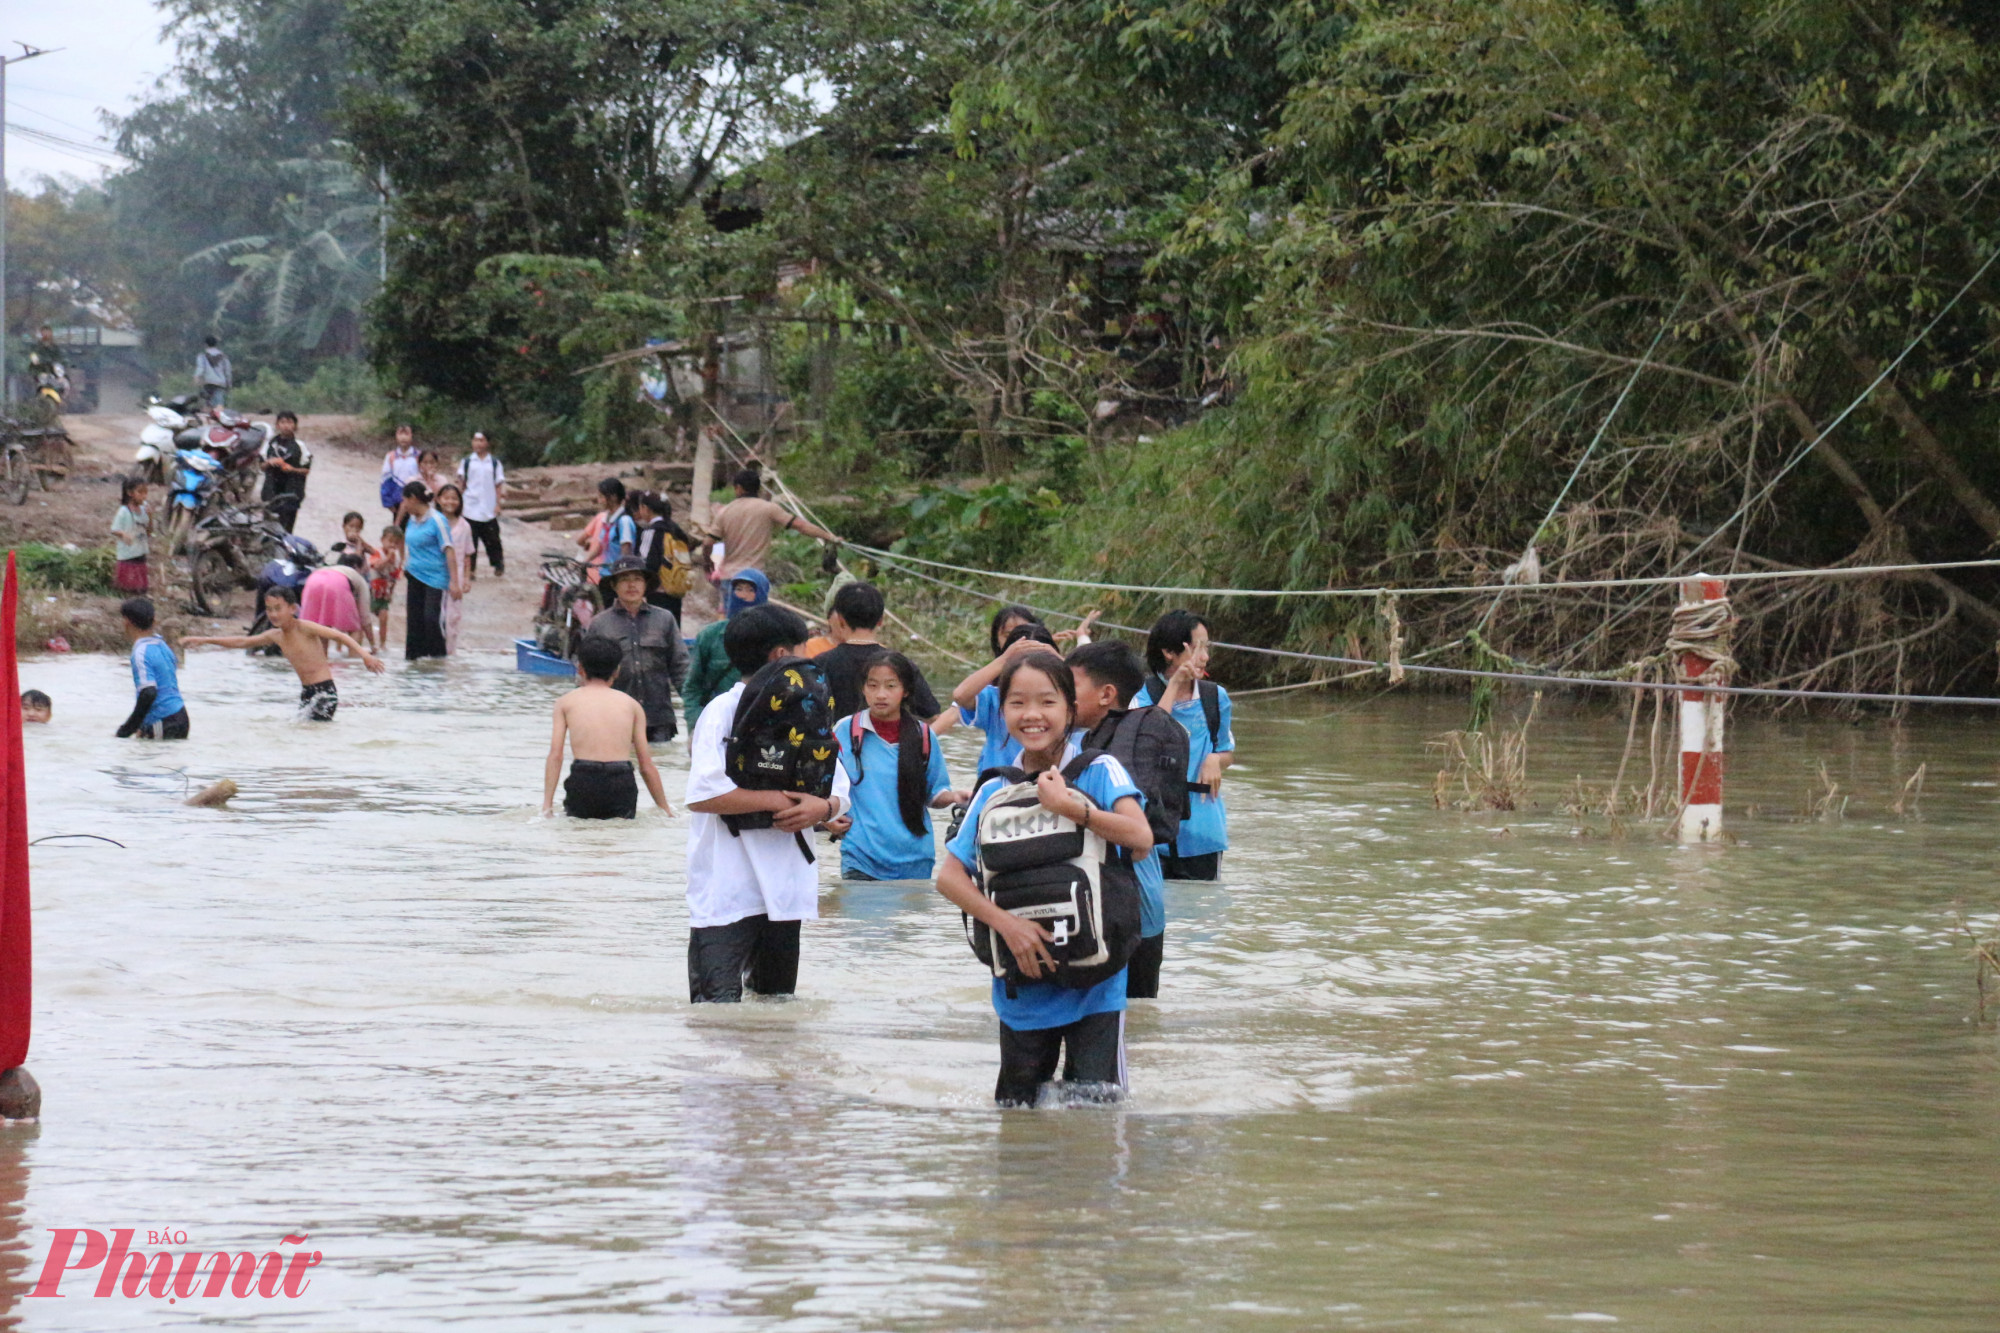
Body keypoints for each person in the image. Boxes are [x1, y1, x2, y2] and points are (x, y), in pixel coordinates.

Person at [933, 650, 1153, 1106]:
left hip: (1098, 980)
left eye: (1047, 702)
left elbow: (1140, 837)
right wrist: (1008, 926)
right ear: (1003, 710)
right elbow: (950, 878)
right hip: (1022, 977)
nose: (1032, 715)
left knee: (1095, 1113)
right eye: (1017, 703)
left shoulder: (1098, 770)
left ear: (1070, 709)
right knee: (1017, 1115)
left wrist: (1073, 808)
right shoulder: (993, 789)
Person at [683, 604, 850, 1003]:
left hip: (786, 890)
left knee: (775, 1009)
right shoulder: (722, 710)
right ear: (781, 656)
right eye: (802, 650)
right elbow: (704, 795)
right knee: (715, 1011)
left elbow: (840, 791)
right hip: (727, 890)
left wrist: (823, 810)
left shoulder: (809, 714)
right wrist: (783, 800)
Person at [1069, 639, 1183, 999]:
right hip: (1140, 910)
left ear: (1106, 694)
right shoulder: (1095, 741)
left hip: (1127, 914)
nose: (1060, 695)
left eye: (1069, 686)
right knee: (1136, 1022)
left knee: (1124, 1020)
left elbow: (1137, 841)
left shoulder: (1110, 753)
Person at [833, 650, 963, 881]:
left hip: (916, 859)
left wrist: (955, 797)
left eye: (891, 686)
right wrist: (827, 819)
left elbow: (934, 794)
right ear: (863, 688)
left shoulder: (922, 735)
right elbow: (823, 788)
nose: (880, 694)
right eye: (872, 685)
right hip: (861, 858)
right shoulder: (845, 731)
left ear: (906, 691)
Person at [1135, 610, 1235, 880]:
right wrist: (1175, 684)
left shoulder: (1216, 698)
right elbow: (1149, 737)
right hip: (1152, 830)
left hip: (1203, 831)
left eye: (1207, 647)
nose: (1205, 657)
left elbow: (1226, 749)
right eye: (1198, 647)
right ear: (1169, 652)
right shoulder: (1141, 695)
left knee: (1203, 913)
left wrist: (1215, 760)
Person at [183, 586, 386, 719]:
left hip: (325, 691)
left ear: (293, 609)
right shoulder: (275, 635)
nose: (273, 614)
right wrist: (204, 640)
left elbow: (339, 636)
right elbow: (243, 642)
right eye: (269, 609)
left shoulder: (305, 627)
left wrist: (365, 655)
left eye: (278, 608)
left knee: (311, 733)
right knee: (306, 733)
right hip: (307, 692)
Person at [542, 636, 673, 819]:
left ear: (580, 668)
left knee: (579, 840)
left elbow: (555, 755)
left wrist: (546, 806)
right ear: (617, 670)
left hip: (583, 778)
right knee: (619, 840)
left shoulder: (565, 703)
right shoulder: (632, 705)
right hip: (621, 779)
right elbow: (646, 765)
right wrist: (665, 808)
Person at [814, 580, 953, 728]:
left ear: (840, 620)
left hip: (834, 749)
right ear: (881, 620)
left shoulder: (818, 664)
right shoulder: (900, 665)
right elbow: (933, 717)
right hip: (888, 749)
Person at [584, 556, 690, 743]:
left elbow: (680, 667)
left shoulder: (665, 619)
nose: (631, 585)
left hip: (658, 718)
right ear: (614, 586)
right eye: (624, 579)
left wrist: (693, 710)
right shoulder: (600, 624)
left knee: (660, 763)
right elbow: (587, 674)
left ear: (646, 585)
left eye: (637, 579)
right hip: (614, 719)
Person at [952, 617, 1062, 777]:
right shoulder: (994, 697)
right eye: (1017, 703)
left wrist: (1059, 660)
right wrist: (1004, 659)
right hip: (998, 791)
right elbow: (960, 695)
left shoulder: (1063, 701)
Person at [682, 569, 770, 728]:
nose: (743, 595)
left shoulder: (774, 637)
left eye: (751, 590)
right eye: (739, 589)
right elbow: (693, 686)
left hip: (760, 723)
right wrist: (695, 727)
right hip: (716, 723)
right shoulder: (710, 636)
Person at [710, 469, 837, 579]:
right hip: (754, 575)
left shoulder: (724, 512)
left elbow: (708, 543)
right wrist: (829, 537)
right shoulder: (769, 509)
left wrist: (707, 565)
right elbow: (801, 525)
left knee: (730, 607)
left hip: (729, 575)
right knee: (756, 607)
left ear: (738, 488)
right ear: (758, 488)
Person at [399, 482, 462, 661]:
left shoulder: (437, 520)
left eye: (405, 500)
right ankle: (413, 660)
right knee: (414, 622)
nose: (403, 504)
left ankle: (438, 660)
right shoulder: (411, 520)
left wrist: (454, 582)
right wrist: (404, 563)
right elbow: (406, 541)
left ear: (413, 499)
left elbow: (449, 550)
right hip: (414, 575)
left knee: (431, 619)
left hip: (435, 577)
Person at [115, 598, 188, 740]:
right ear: (154, 622)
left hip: (163, 720)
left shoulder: (140, 652)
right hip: (181, 716)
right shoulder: (163, 646)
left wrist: (126, 730)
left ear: (127, 622)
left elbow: (148, 693)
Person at [632, 490, 695, 622]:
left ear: (646, 509)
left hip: (659, 591)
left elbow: (647, 564)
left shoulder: (651, 531)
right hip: (676, 588)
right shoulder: (676, 530)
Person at [456, 431, 506, 577]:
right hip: (470, 506)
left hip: (488, 507)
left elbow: (498, 485)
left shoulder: (494, 463)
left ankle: (498, 563)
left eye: (481, 440)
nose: (478, 443)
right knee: (470, 540)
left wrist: (498, 504)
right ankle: (470, 569)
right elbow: (461, 484)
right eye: (475, 440)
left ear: (487, 443)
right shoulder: (467, 462)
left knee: (493, 539)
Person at [433, 482, 475, 653]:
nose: (450, 502)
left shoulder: (464, 526)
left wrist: (466, 578)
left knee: (452, 617)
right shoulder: (433, 522)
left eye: (454, 498)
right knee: (435, 615)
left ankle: (449, 653)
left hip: (455, 578)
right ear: (439, 500)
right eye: (446, 498)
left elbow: (467, 555)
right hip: (434, 575)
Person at [300, 562, 376, 652]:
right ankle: (354, 660)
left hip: (312, 580)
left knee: (321, 627)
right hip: (338, 583)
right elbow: (365, 616)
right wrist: (372, 644)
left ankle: (322, 660)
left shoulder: (334, 568)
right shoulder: (360, 580)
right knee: (355, 629)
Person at [259, 410, 312, 533]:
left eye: (289, 422)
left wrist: (292, 469)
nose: (286, 425)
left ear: (295, 426)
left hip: (291, 492)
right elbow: (261, 466)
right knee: (268, 527)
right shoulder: (269, 445)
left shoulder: (300, 446)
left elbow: (306, 470)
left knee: (286, 529)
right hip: (271, 491)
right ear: (277, 425)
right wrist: (269, 463)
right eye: (282, 422)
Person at [110, 476, 150, 594]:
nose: (144, 496)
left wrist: (151, 516)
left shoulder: (143, 510)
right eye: (140, 492)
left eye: (145, 493)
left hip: (140, 550)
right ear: (130, 493)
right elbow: (114, 529)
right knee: (128, 584)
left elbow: (149, 531)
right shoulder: (123, 511)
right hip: (127, 553)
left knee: (141, 583)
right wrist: (123, 534)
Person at [595, 478, 639, 582]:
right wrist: (584, 561)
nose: (599, 501)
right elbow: (601, 546)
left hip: (617, 576)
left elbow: (626, 550)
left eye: (601, 497)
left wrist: (621, 572)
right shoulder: (607, 519)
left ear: (613, 497)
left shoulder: (624, 521)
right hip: (605, 574)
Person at [368, 525, 404, 650]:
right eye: (390, 541)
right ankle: (370, 643)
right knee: (365, 619)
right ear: (382, 540)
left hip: (384, 593)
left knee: (384, 618)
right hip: (371, 592)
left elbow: (394, 577)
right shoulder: (377, 552)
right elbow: (376, 566)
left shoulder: (397, 558)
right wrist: (388, 558)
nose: (392, 545)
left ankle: (382, 644)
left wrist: (391, 593)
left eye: (396, 543)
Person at [381, 425, 422, 515]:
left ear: (412, 436)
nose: (403, 437)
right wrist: (387, 501)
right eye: (400, 434)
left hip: (415, 499)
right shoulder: (391, 456)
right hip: (397, 499)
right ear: (396, 436)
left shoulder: (419, 456)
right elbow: (386, 479)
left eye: (406, 434)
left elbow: (423, 477)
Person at [194, 336, 232, 408]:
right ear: (216, 344)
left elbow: (200, 369)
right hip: (220, 383)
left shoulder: (202, 356)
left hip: (208, 383)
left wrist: (196, 379)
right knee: (219, 405)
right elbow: (228, 372)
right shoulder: (223, 357)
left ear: (206, 344)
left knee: (208, 405)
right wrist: (229, 384)